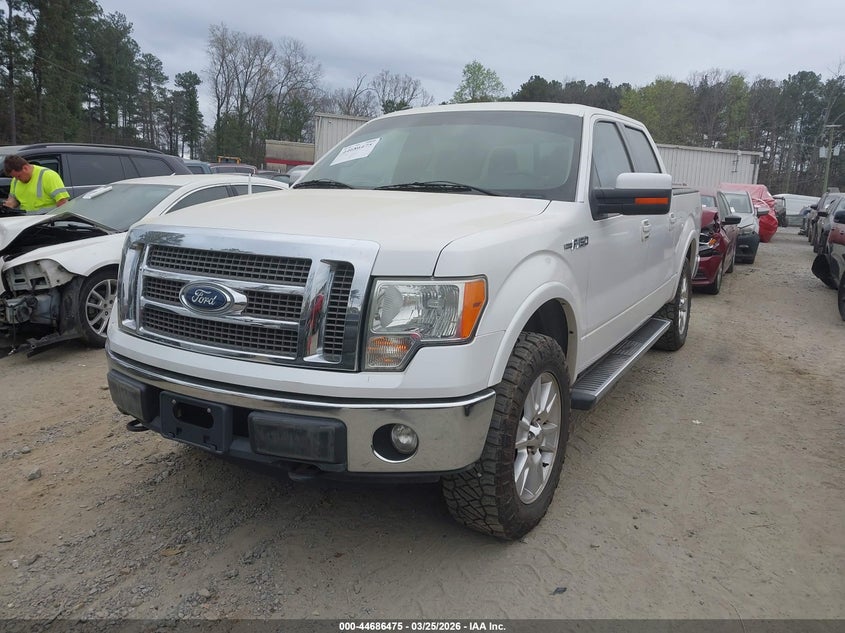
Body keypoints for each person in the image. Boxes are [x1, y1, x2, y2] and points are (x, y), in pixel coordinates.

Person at [3, 155, 70, 212]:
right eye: (14, 177)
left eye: (18, 176)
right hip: (26, 221)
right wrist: (9, 205)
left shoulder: (48, 175)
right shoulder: (15, 180)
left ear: (25, 168)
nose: (17, 179)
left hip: (47, 222)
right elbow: (13, 199)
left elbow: (62, 202)